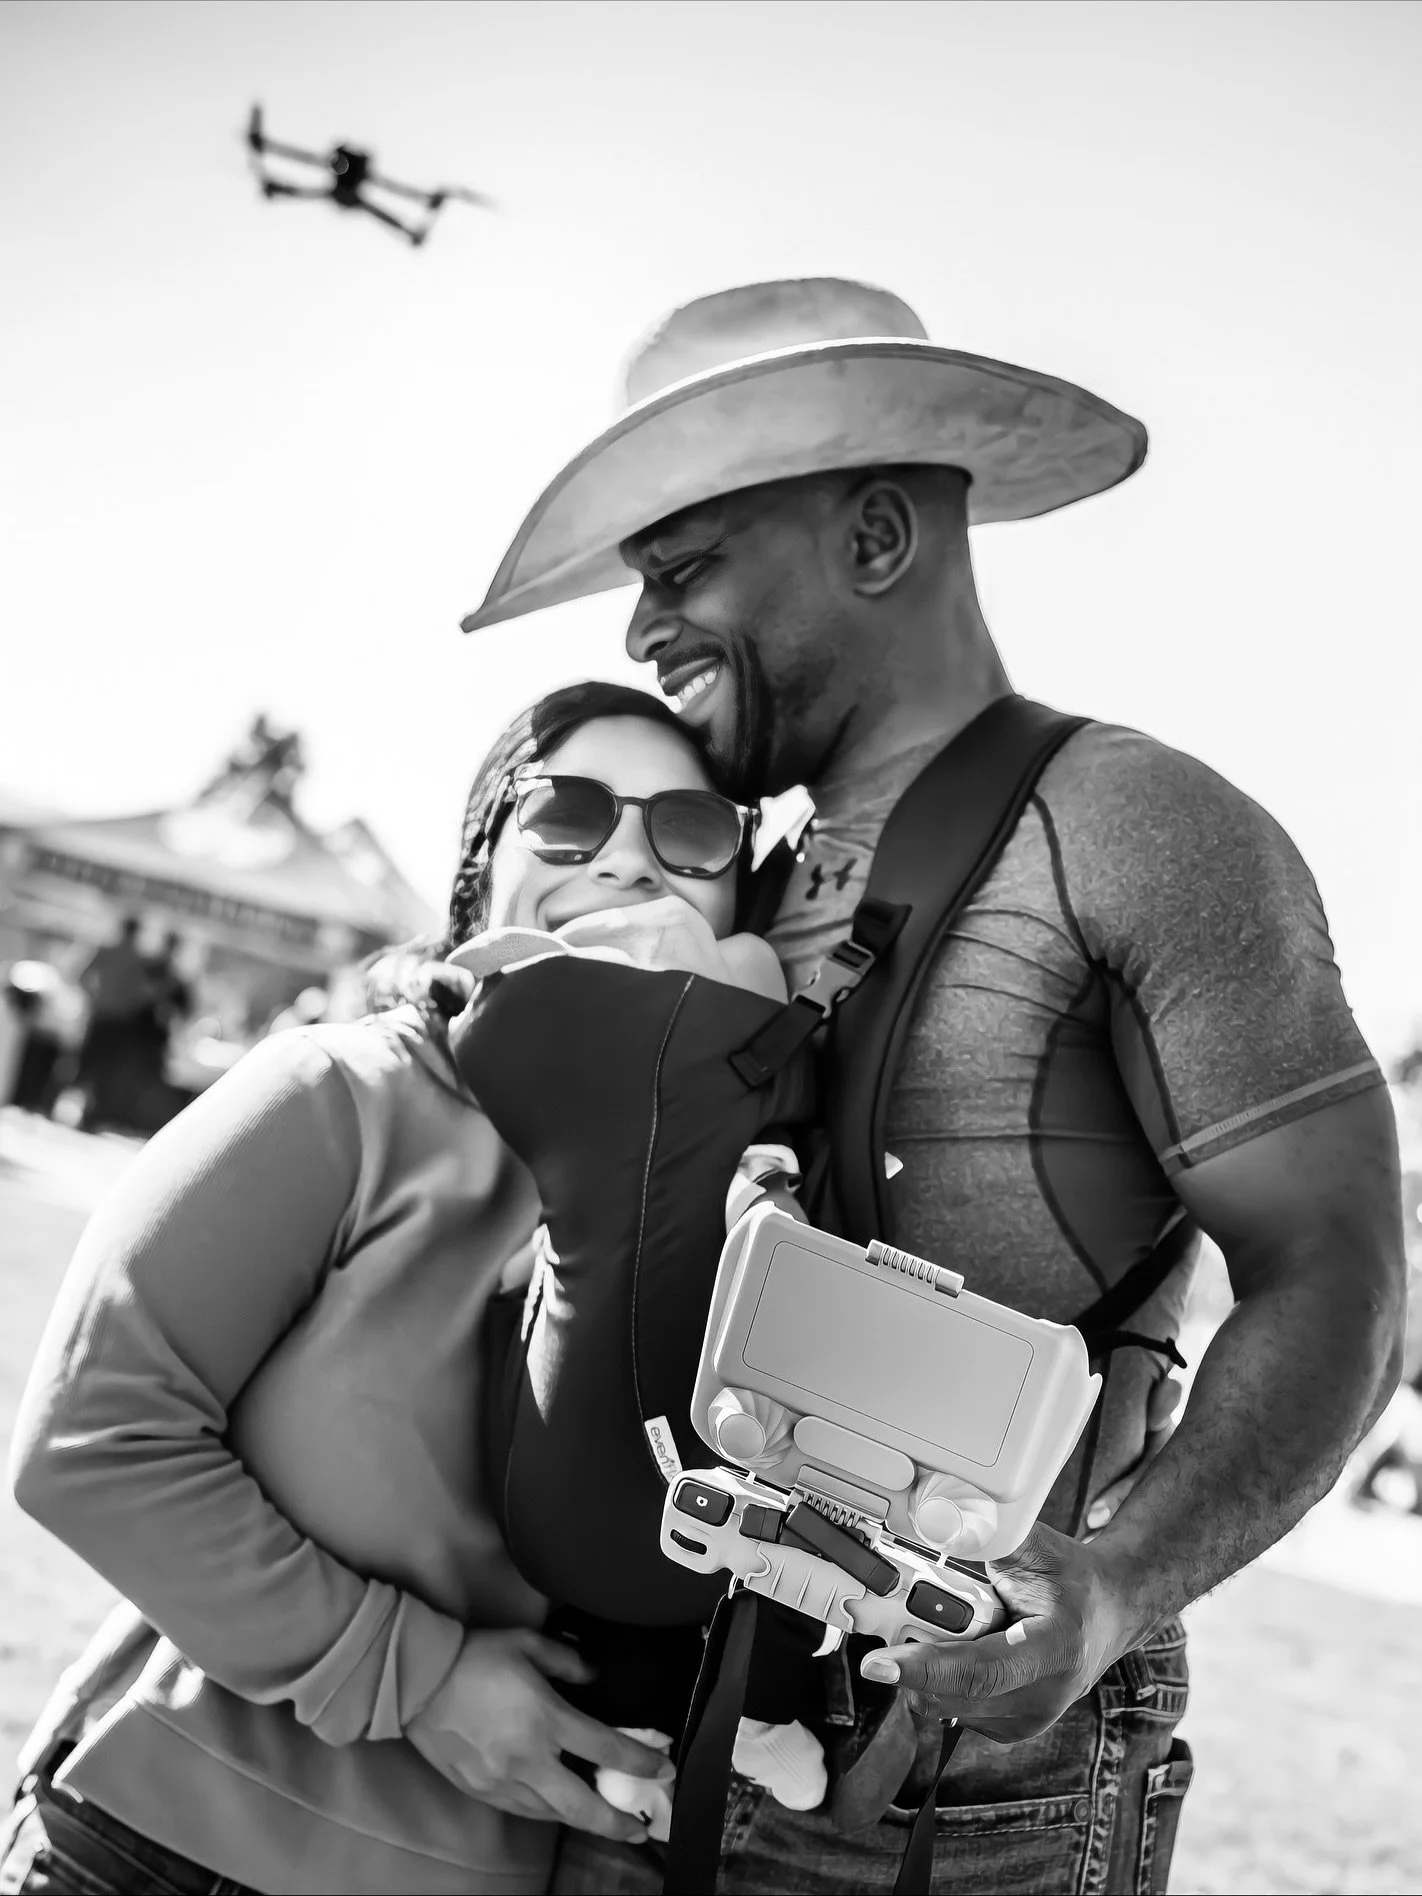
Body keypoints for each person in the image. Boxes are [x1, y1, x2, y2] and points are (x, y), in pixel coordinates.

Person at [454, 278, 1408, 1893]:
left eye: (683, 569)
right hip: (660, 1730)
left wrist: (1108, 1590)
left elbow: (1343, 1281)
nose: (639, 631)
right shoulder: (718, 868)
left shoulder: (1139, 829)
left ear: (878, 538)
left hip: (975, 1791)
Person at [2, 681, 778, 1896]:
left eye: (690, 830)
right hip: (165, 1845)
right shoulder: (346, 1096)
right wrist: (413, 1676)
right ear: (477, 875)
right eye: (568, 814)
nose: (628, 859)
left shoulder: (750, 1192)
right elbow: (86, 1441)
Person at [73, 915, 151, 1131]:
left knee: (87, 1063)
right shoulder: (136, 959)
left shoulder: (112, 952)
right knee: (104, 1069)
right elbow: (142, 994)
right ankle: (89, 1116)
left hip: (103, 1015)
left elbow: (82, 977)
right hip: (118, 1020)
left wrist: (95, 998)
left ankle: (68, 1108)